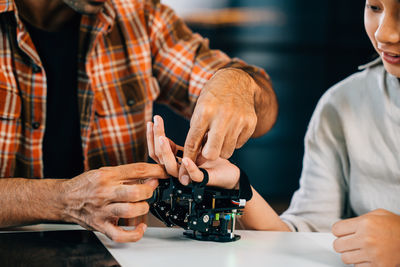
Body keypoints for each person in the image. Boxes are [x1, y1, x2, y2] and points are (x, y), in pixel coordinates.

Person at [0, 0, 278, 242]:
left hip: (116, 254)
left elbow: (263, 118)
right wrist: (62, 200)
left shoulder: (140, 15)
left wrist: (239, 84)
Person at [147, 0, 400, 265]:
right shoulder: (341, 105)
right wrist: (236, 185)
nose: (385, 33)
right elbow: (304, 238)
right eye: (374, 7)